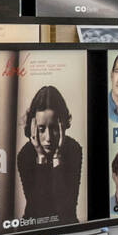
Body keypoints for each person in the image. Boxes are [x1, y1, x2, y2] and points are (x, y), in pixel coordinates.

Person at [16, 84, 82, 226]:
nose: (48, 137)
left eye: (54, 128)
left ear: (62, 125)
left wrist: (57, 157)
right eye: (41, 129)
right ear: (33, 127)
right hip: (33, 231)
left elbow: (67, 210)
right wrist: (41, 158)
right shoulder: (25, 155)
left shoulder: (73, 149)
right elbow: (38, 210)